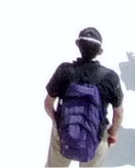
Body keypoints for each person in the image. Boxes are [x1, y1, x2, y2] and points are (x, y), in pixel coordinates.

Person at [45, 26, 124, 166]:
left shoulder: (64, 70)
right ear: (99, 51)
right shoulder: (110, 77)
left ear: (79, 46)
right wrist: (112, 133)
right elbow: (118, 114)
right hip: (96, 134)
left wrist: (57, 121)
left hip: (64, 131)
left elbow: (48, 103)